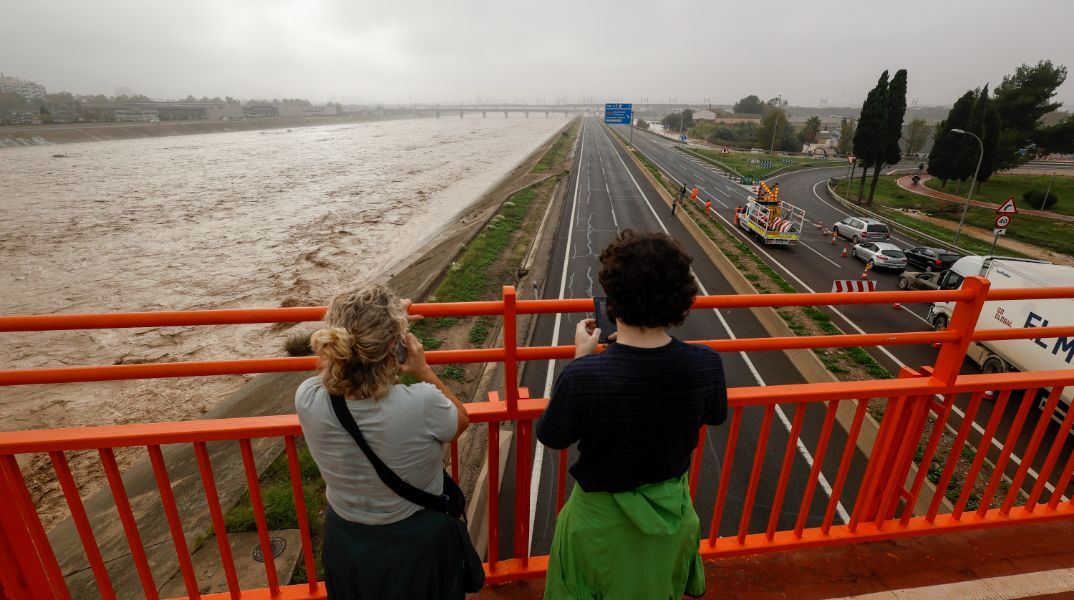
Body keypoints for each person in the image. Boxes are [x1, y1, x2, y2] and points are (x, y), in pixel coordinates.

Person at [537, 230, 728, 599]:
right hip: (670, 518)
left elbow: (552, 435)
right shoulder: (706, 364)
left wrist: (580, 359)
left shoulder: (586, 375)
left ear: (611, 299)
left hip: (598, 528)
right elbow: (715, 414)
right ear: (681, 300)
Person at [295, 283, 478, 599]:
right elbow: (460, 418)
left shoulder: (308, 399)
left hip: (347, 542)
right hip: (416, 545)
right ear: (396, 347)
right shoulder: (421, 403)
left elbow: (338, 373)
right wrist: (422, 369)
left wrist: (382, 327)